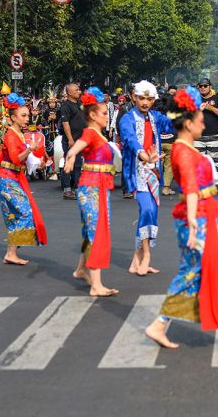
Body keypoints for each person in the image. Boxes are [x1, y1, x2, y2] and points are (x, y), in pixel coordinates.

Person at [143, 87, 218, 352]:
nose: (203, 123)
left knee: (202, 274)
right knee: (211, 275)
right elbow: (189, 189)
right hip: (197, 220)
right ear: (188, 123)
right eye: (199, 119)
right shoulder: (184, 151)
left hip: (200, 219)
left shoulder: (182, 148)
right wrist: (192, 227)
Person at [63, 87, 119, 297]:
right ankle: (96, 284)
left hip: (99, 187)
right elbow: (79, 145)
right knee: (97, 232)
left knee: (92, 231)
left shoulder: (99, 135)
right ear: (93, 115)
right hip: (92, 187)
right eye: (104, 113)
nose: (107, 116)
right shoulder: (91, 132)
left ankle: (81, 269)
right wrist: (71, 155)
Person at [119, 80, 175, 276]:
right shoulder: (127, 118)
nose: (144, 102)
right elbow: (129, 138)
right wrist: (142, 154)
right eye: (141, 98)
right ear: (134, 97)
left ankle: (136, 260)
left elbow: (172, 125)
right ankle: (147, 256)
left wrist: (185, 111)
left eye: (149, 99)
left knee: (151, 214)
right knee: (148, 210)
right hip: (137, 172)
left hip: (153, 172)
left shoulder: (156, 117)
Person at [0, 94, 47, 265]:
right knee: (25, 212)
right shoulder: (11, 135)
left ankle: (11, 253)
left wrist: (35, 162)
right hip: (8, 178)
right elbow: (16, 158)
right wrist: (30, 150)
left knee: (15, 216)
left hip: (13, 177)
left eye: (27, 115)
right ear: (13, 117)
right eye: (23, 116)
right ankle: (11, 252)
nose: (27, 119)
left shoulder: (18, 133)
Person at [195, 78, 218, 195]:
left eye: (205, 85)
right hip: (197, 136)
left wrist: (210, 108)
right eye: (201, 86)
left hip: (214, 135)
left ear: (210, 87)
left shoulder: (217, 99)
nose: (203, 88)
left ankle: (217, 185)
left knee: (215, 162)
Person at [59, 83, 87, 200]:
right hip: (71, 140)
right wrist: (70, 139)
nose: (79, 92)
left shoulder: (80, 104)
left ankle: (76, 188)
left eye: (79, 90)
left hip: (80, 140)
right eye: (76, 90)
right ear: (69, 93)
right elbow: (65, 124)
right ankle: (67, 189)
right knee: (69, 164)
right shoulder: (65, 106)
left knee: (78, 165)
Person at [157, 85, 178, 196]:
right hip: (170, 141)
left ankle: (153, 186)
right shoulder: (173, 113)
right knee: (169, 166)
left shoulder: (156, 113)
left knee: (157, 165)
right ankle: (166, 188)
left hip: (158, 143)